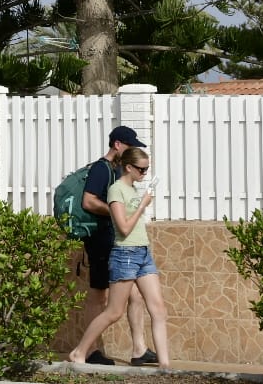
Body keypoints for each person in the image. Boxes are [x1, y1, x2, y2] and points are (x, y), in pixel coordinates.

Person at [67, 146, 172, 369]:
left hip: (143, 252)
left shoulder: (133, 189)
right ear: (128, 167)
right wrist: (142, 206)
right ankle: (79, 351)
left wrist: (141, 202)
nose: (144, 174)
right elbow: (123, 227)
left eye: (147, 170)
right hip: (125, 255)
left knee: (158, 309)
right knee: (114, 311)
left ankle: (165, 366)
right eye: (142, 170)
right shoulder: (116, 191)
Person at [75, 126, 152, 365]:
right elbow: (88, 201)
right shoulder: (100, 168)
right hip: (100, 240)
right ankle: (89, 351)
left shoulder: (118, 171)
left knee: (137, 294)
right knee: (99, 296)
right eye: (129, 146)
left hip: (119, 242)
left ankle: (139, 349)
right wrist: (115, 211)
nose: (132, 151)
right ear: (117, 145)